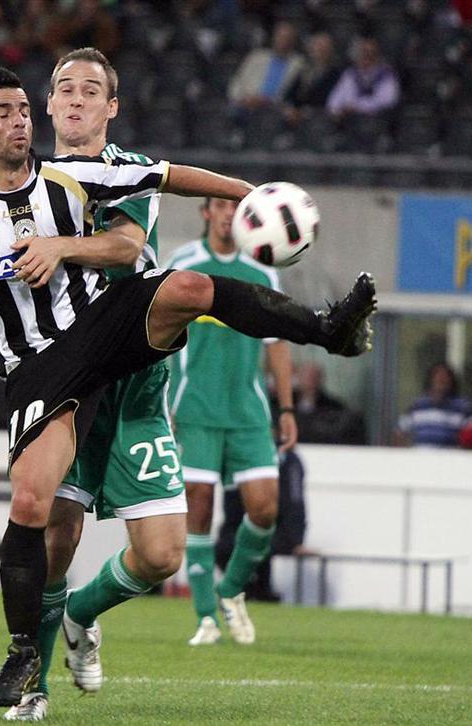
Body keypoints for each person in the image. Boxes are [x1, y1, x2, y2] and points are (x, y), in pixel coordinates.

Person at [0, 66, 377, 709]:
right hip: (36, 368)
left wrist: (250, 196)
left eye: (23, 109)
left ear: (107, 106)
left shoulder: (75, 177)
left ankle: (329, 329)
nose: (20, 120)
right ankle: (26, 658)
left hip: (101, 332)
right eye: (6, 112)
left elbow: (165, 184)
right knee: (32, 504)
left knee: (188, 288)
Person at [167, 197, 298, 646]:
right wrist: (159, 400)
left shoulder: (262, 273)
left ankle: (232, 590)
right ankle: (206, 616)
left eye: (235, 208)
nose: (228, 214)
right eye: (221, 206)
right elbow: (158, 333)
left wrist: (286, 408)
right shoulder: (183, 266)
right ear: (205, 213)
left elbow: (278, 344)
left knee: (265, 508)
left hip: (248, 412)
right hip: (195, 409)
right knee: (199, 507)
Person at [216, 432, 307, 603]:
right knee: (224, 547)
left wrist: (296, 538)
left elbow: (294, 502)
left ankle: (259, 590)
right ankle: (251, 589)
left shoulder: (287, 459)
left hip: (280, 528)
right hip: (247, 524)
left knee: (259, 544)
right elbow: (231, 502)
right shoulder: (241, 457)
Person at [228, 21, 305, 113]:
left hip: (275, 108)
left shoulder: (299, 63)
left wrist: (266, 101)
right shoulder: (256, 56)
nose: (283, 41)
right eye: (280, 37)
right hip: (246, 102)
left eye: (287, 38)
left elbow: (293, 94)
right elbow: (237, 83)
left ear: (293, 41)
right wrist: (243, 99)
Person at [395, 362, 472, 448]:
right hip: (421, 456)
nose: (441, 380)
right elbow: (400, 432)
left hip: (450, 456)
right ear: (431, 380)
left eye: (444, 378)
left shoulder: (463, 407)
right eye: (437, 377)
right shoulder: (418, 405)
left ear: (451, 381)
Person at [326, 36, 399, 120]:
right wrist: (337, 111)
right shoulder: (350, 74)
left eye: (370, 53)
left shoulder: (386, 74)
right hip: (351, 120)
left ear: (377, 55)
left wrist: (358, 107)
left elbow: (388, 100)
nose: (366, 57)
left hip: (377, 119)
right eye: (363, 53)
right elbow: (334, 100)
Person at [293, 361, 365, 445]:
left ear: (320, 379)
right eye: (306, 376)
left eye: (314, 377)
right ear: (299, 377)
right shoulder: (287, 403)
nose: (310, 381)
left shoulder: (333, 405)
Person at [282, 31, 341, 125]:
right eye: (317, 45)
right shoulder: (304, 70)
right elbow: (289, 94)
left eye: (324, 47)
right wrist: (291, 109)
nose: (320, 49)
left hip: (318, 118)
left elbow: (329, 101)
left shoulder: (336, 73)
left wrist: (303, 113)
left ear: (330, 50)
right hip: (296, 116)